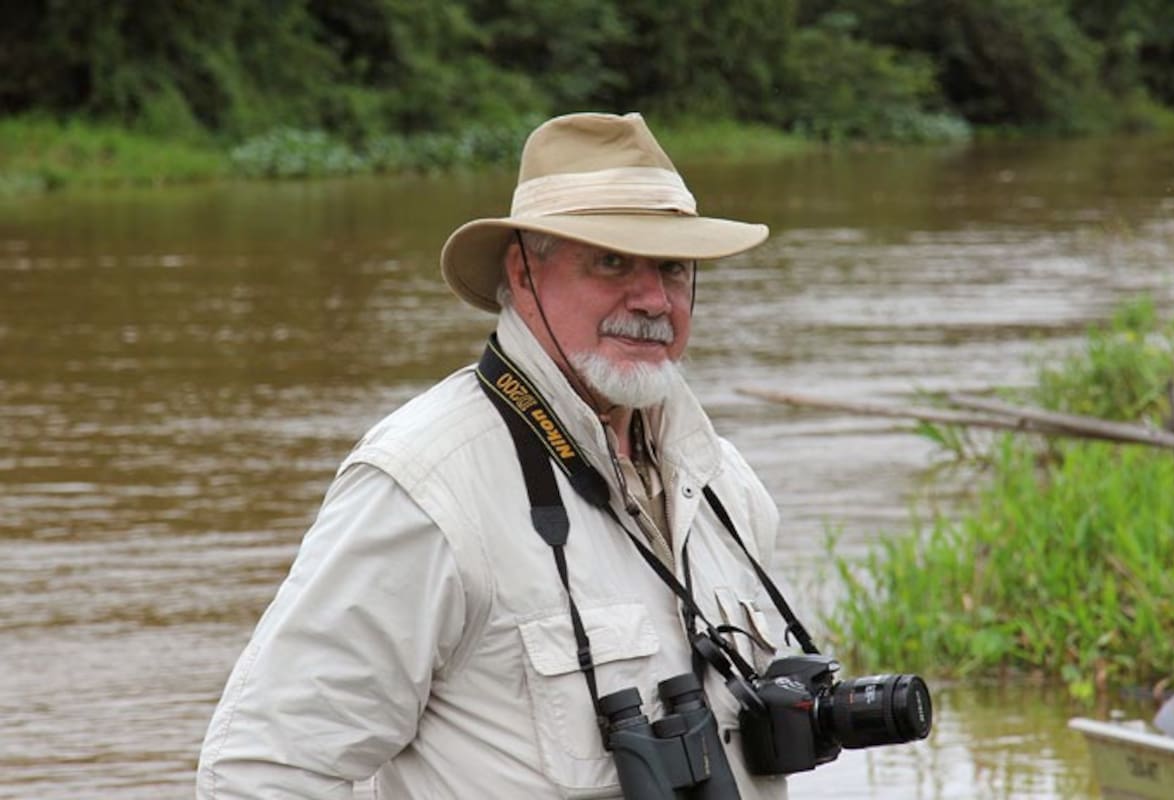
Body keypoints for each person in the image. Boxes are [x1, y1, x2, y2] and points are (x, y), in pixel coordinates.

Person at [197, 112, 790, 799]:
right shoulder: (426, 484)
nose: (653, 299)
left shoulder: (725, 481)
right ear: (523, 272)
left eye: (673, 267)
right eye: (611, 261)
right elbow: (262, 769)